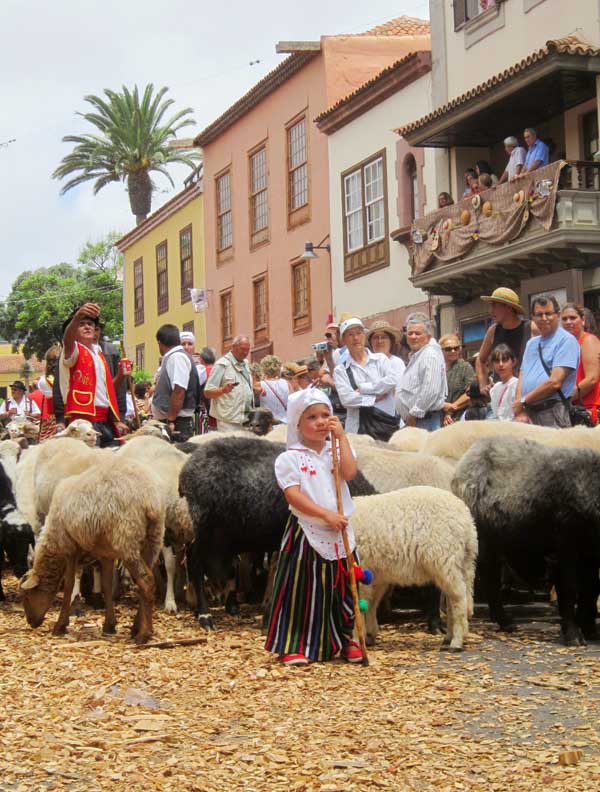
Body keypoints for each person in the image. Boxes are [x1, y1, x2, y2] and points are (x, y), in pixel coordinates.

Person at [264, 388, 361, 666]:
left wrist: (341, 437)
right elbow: (293, 495)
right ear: (297, 424)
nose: (321, 422)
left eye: (325, 415)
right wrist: (324, 515)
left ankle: (344, 639)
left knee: (342, 586)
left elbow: (350, 473)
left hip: (340, 530)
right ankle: (295, 643)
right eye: (312, 417)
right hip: (307, 532)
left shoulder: (336, 450)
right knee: (303, 589)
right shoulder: (290, 458)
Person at [59, 303, 127, 446]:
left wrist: (121, 375)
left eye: (90, 323)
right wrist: (76, 317)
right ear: (73, 328)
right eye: (81, 324)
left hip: (105, 420)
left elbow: (108, 392)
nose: (87, 327)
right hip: (83, 422)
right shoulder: (73, 349)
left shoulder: (99, 354)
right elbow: (67, 339)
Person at [514, 295, 579, 428]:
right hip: (529, 414)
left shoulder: (567, 340)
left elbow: (555, 382)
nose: (544, 318)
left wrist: (523, 401)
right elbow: (522, 376)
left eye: (548, 314)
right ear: (533, 318)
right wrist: (520, 408)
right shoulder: (531, 343)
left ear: (558, 315)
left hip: (553, 412)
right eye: (539, 314)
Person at [333, 318, 397, 436]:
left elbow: (391, 381)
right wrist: (374, 398)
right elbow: (347, 399)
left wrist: (363, 389)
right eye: (350, 335)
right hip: (358, 428)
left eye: (359, 333)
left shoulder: (380, 359)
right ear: (344, 340)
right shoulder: (340, 370)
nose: (356, 338)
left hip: (386, 424)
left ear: (364, 335)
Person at [396, 313, 447, 431]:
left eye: (418, 333)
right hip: (417, 421)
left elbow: (430, 390)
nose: (413, 337)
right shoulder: (418, 356)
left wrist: (414, 414)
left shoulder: (429, 355)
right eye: (410, 333)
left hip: (424, 421)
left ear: (428, 337)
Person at [477, 287, 532, 392]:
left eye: (494, 306)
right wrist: (483, 385)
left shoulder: (530, 328)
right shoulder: (492, 331)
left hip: (525, 393)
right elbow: (480, 360)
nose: (491, 311)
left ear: (508, 308)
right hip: (500, 393)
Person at [151, 324, 200, 441]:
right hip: (173, 420)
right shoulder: (175, 356)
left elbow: (179, 391)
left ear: (160, 343)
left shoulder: (177, 357)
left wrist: (171, 420)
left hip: (177, 422)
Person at [561, 303, 600, 425]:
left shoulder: (588, 340)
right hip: (576, 410)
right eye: (564, 319)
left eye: (572, 318)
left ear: (583, 320)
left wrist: (563, 399)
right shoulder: (568, 345)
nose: (568, 322)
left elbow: (592, 379)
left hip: (590, 410)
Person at [204, 335, 253, 432]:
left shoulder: (246, 364)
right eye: (242, 349)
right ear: (233, 347)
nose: (245, 353)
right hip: (228, 422)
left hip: (245, 419)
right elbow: (207, 392)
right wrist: (223, 390)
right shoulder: (222, 364)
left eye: (247, 350)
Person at [440, 334, 475, 425]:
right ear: (441, 350)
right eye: (448, 349)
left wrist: (450, 410)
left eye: (456, 348)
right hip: (437, 416)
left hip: (459, 417)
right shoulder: (437, 368)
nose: (453, 351)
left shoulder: (465, 367)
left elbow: (471, 392)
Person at [366, 320, 406, 394]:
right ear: (370, 342)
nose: (380, 341)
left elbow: (399, 390)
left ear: (391, 341)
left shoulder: (396, 363)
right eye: (376, 338)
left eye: (383, 337)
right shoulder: (366, 362)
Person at [489, 344, 518, 421]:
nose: (501, 364)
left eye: (505, 360)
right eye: (497, 361)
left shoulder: (517, 384)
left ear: (513, 361)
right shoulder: (494, 388)